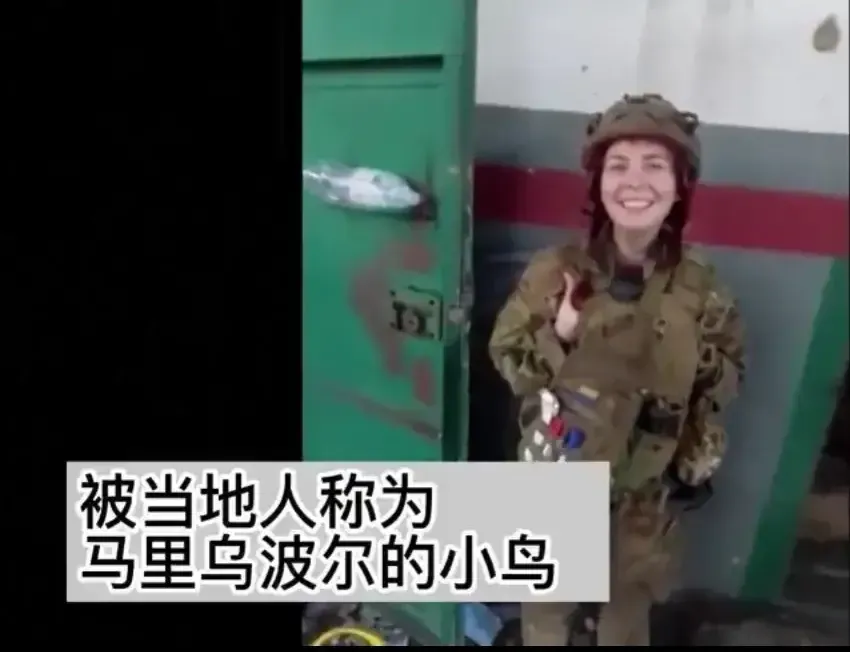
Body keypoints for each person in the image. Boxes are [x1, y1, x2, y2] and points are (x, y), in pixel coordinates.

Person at [488, 94, 746, 646]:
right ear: (598, 182)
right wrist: (560, 336)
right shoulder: (557, 271)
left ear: (679, 185)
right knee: (547, 615)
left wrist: (691, 360)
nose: (635, 181)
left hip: (647, 493)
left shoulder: (701, 287)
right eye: (618, 165)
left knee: (627, 617)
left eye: (655, 165)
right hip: (562, 476)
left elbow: (729, 375)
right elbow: (507, 356)